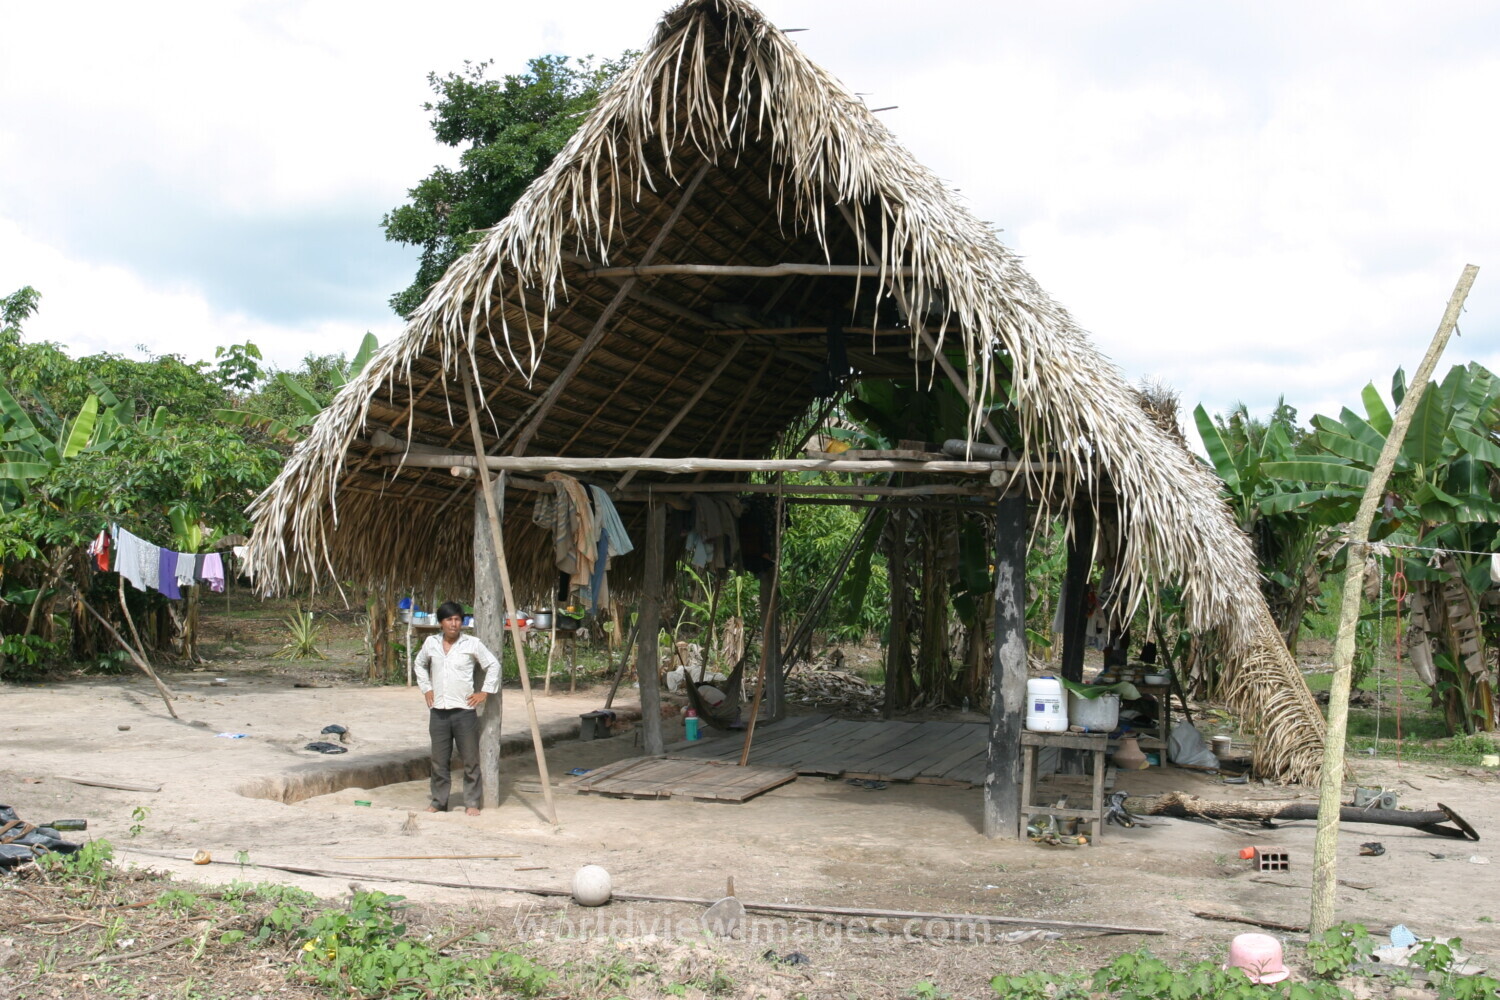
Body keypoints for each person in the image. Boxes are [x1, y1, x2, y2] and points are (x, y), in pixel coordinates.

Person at [413, 602, 501, 815]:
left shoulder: (472, 643)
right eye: (449, 619)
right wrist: (426, 688)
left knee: (470, 759)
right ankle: (439, 802)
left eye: (457, 620)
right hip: (438, 711)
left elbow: (493, 665)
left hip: (464, 711)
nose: (453, 624)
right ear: (441, 622)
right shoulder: (431, 643)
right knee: (439, 761)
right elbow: (419, 664)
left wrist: (484, 692)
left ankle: (471, 803)